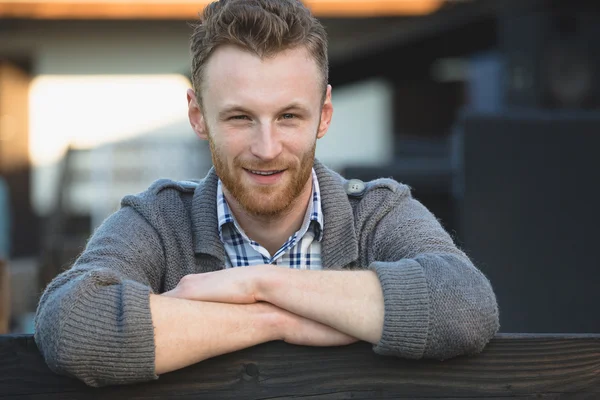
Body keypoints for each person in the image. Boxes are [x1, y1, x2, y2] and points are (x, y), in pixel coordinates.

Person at [34, 0, 499, 388]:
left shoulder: (374, 213)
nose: (266, 147)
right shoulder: (159, 222)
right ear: (198, 115)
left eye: (289, 117)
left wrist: (257, 284)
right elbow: (73, 327)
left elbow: (465, 302)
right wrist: (274, 321)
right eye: (239, 118)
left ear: (324, 113)